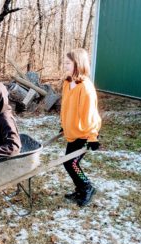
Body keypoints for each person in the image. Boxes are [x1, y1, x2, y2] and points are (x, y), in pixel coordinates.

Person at [60, 48, 102, 207]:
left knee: (72, 163)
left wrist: (92, 136)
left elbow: (89, 114)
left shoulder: (85, 87)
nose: (65, 66)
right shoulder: (68, 83)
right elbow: (65, 107)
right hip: (73, 133)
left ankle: (87, 187)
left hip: (85, 134)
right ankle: (80, 189)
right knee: (68, 163)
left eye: (68, 63)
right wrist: (63, 124)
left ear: (78, 64)